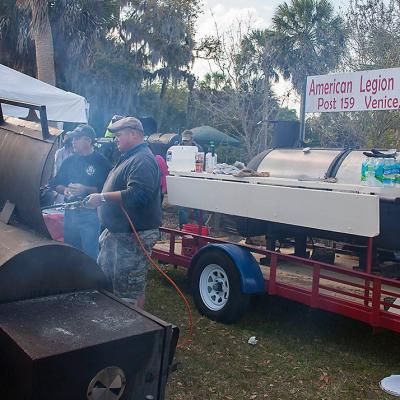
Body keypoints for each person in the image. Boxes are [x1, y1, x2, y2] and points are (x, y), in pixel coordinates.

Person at [85, 117, 161, 308]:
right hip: (118, 234)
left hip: (133, 236)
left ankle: (133, 329)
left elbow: (139, 194)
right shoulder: (130, 156)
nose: (115, 139)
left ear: (133, 134)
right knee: (110, 282)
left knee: (129, 290)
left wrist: (102, 197)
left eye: (118, 135)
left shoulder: (142, 159)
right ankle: (115, 320)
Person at [50, 124, 111, 259]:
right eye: (73, 139)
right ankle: (72, 279)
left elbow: (107, 189)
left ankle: (90, 279)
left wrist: (85, 189)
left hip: (90, 214)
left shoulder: (101, 162)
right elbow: (55, 183)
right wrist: (65, 189)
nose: (73, 141)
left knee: (89, 254)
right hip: (70, 212)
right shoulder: (69, 161)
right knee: (70, 252)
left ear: (88, 141)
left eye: (77, 138)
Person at [179, 129, 204, 227]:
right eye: (184, 140)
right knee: (182, 208)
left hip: (195, 179)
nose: (185, 142)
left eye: (187, 140)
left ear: (192, 139)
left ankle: (202, 228)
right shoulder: (178, 148)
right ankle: (182, 229)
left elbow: (202, 165)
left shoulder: (199, 149)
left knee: (198, 206)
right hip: (182, 179)